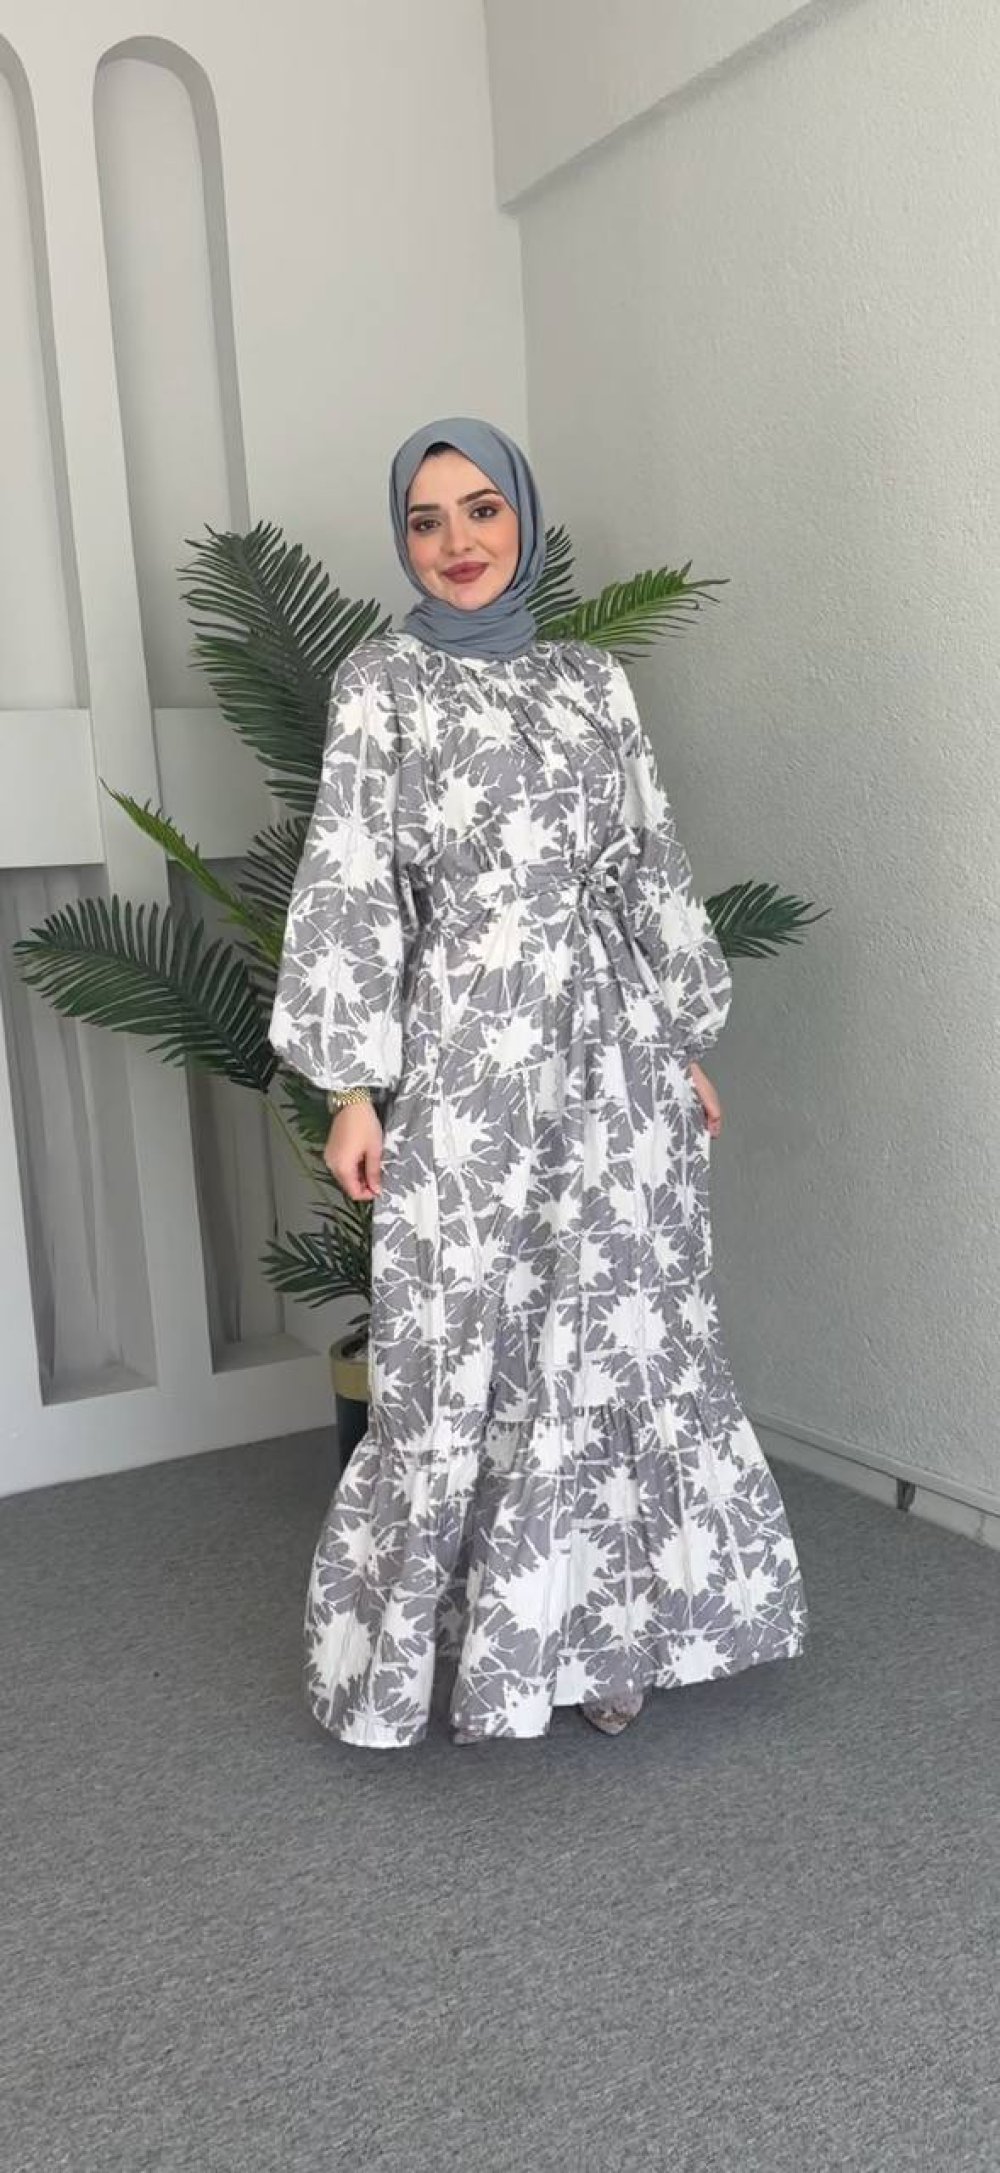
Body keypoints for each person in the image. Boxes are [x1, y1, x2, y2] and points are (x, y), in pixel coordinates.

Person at [269, 414, 809, 1749]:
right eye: (426, 520)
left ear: (523, 518)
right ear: (402, 538)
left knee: (615, 1325)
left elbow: (646, 859)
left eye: (481, 511)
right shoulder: (383, 684)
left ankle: (608, 1636)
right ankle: (461, 1653)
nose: (456, 543)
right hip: (467, 1055)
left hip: (614, 1056)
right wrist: (351, 1088)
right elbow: (351, 878)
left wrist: (681, 1038)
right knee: (461, 1333)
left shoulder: (590, 681)